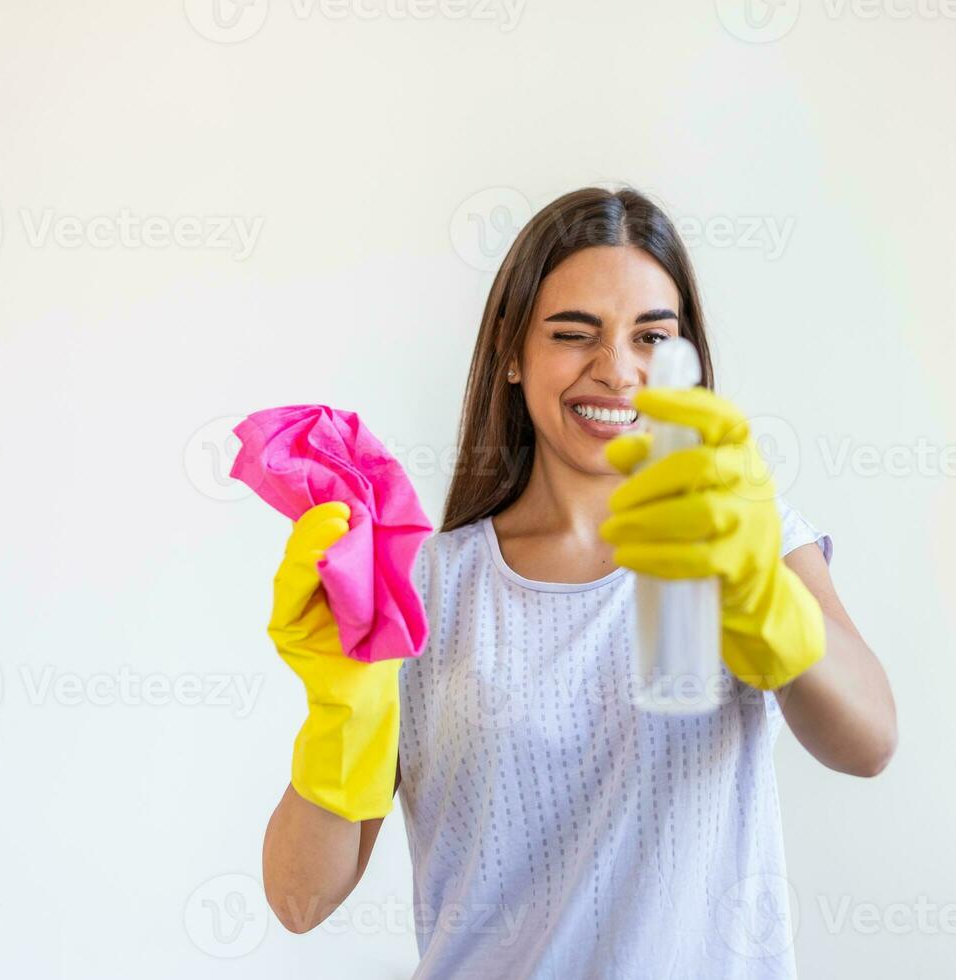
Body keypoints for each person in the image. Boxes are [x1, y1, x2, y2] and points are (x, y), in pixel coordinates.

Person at [260, 186, 898, 978]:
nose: (617, 371)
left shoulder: (743, 532)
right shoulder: (428, 585)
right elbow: (298, 900)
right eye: (574, 333)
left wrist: (768, 600)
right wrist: (341, 708)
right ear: (511, 352)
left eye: (651, 337)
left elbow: (870, 743)